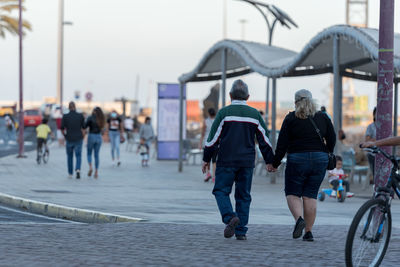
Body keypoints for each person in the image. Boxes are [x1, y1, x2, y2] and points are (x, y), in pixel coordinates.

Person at [202, 79, 274, 241]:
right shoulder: (255, 115)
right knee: (243, 196)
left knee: (220, 190)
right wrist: (270, 161)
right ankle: (241, 231)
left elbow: (212, 140)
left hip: (226, 160)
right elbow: (265, 140)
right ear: (248, 96)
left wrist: (206, 158)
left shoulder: (223, 113)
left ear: (230, 95)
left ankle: (230, 217)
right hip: (246, 162)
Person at [269, 89, 336, 242]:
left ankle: (299, 219)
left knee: (293, 193)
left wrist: (275, 163)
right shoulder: (323, 117)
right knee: (310, 195)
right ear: (312, 101)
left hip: (297, 158)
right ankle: (308, 232)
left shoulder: (291, 118)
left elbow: (282, 144)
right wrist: (327, 152)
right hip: (320, 158)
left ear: (295, 102)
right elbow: (331, 138)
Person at [61, 102, 85, 179]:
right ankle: (78, 169)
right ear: (75, 107)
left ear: (68, 107)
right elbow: (84, 127)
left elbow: (62, 128)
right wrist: (83, 136)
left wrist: (65, 136)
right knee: (78, 155)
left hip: (69, 138)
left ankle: (70, 173)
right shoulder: (80, 116)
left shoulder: (65, 116)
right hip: (78, 138)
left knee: (69, 156)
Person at [84, 107, 105, 178]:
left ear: (94, 111)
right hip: (99, 137)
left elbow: (85, 126)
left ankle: (90, 167)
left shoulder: (90, 118)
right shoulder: (102, 119)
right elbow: (103, 129)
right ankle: (96, 172)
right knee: (96, 155)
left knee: (89, 153)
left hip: (91, 136)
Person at [199, 108, 217, 182]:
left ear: (209, 114)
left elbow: (203, 133)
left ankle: (208, 174)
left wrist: (200, 143)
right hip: (215, 142)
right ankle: (214, 177)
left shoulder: (205, 121)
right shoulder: (217, 121)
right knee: (214, 160)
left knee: (207, 159)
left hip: (206, 142)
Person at [365, 107, 376, 184]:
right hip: (373, 153)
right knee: (375, 172)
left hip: (384, 153)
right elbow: (367, 140)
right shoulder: (371, 126)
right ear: (374, 115)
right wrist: (378, 140)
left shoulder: (387, 127)